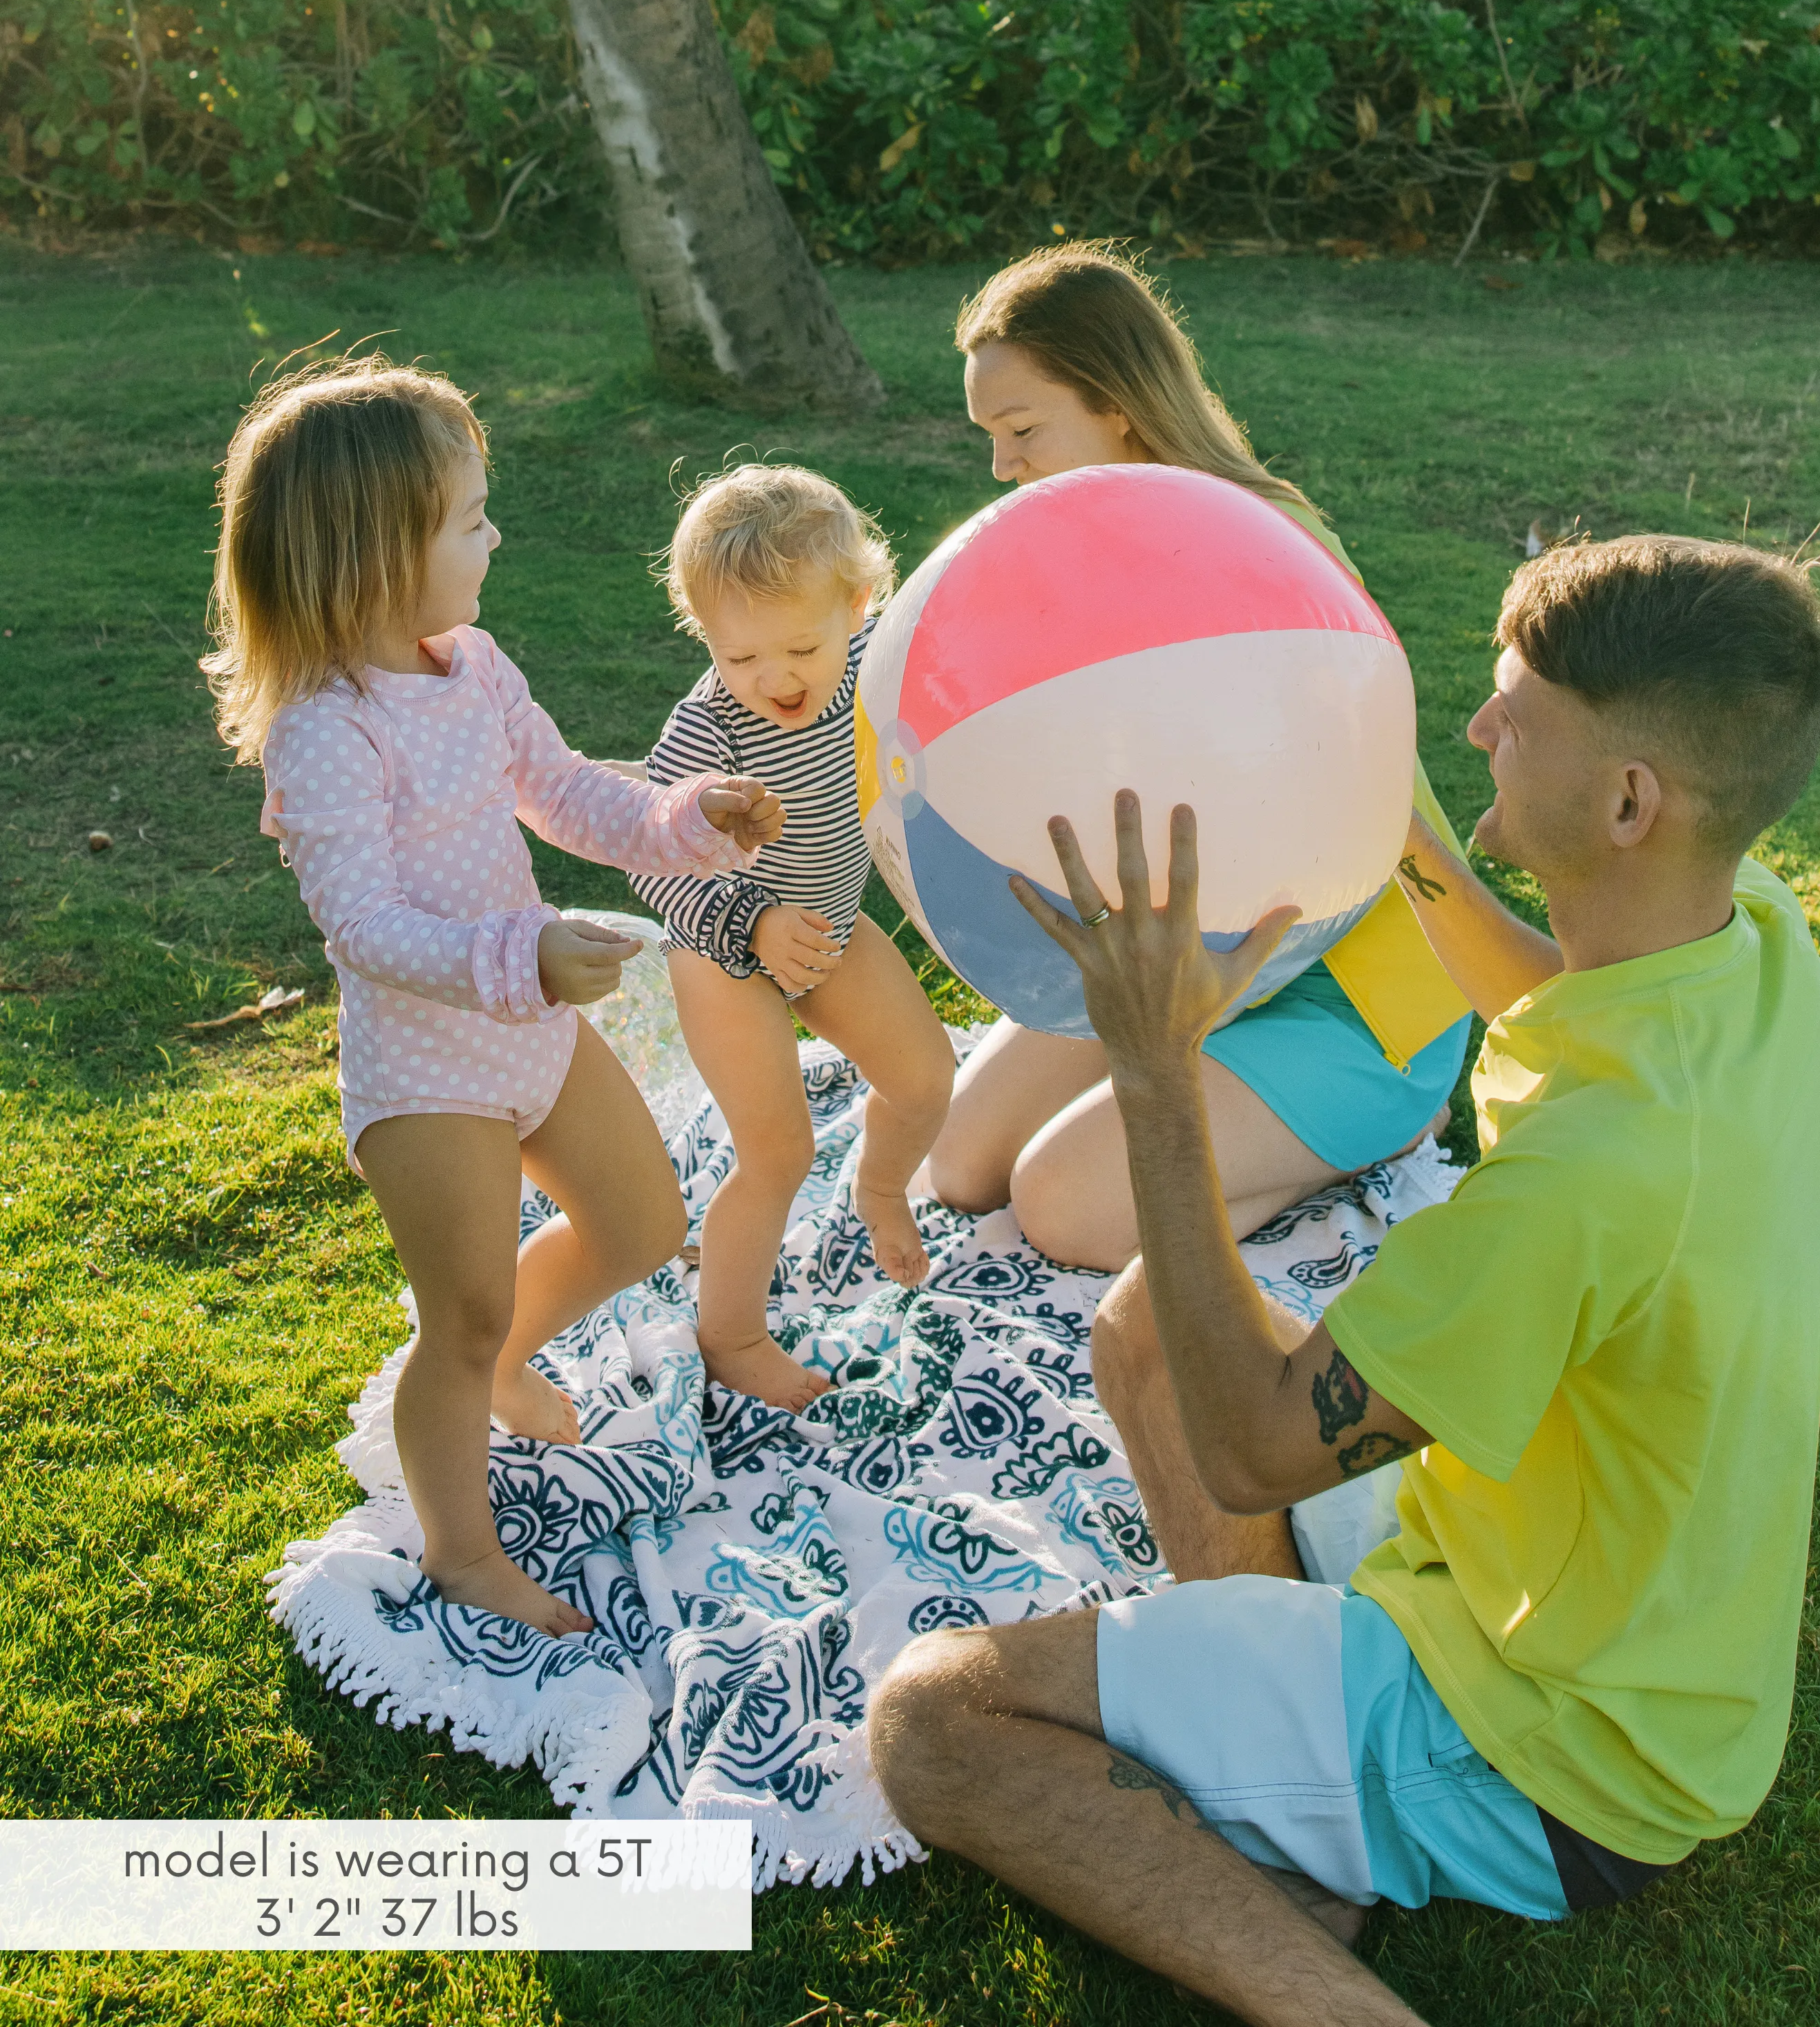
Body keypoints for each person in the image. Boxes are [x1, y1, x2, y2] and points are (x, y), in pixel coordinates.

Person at [869, 535, 1820, 2026]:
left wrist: (1152, 1070)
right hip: (1608, 1621)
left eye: (1513, 713)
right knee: (1143, 1321)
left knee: (934, 1718)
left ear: (1628, 800)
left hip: (1549, 1746)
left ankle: (1340, 1995)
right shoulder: (1751, 946)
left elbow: (1253, 1443)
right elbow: (1552, 993)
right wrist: (1414, 851)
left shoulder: (1595, 1176)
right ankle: (1302, 1808)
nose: (1474, 732)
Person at [203, 357, 780, 1636]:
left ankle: (512, 1359)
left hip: (534, 1030)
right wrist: (519, 959)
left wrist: (688, 822)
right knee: (458, 1320)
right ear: (374, 550)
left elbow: (565, 789)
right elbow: (362, 928)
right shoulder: (327, 730)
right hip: (429, 1070)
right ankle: (463, 1546)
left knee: (639, 1227)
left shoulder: (469, 663)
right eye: (470, 517)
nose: (494, 535)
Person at [925, 242, 1475, 1272]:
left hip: (1346, 985)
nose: (1000, 466)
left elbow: (1345, 814)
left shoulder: (1266, 540)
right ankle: (1212, 1093)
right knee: (958, 1164)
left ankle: (1395, 1121)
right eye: (988, 436)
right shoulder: (1076, 556)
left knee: (1060, 1206)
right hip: (1179, 956)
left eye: (1021, 429)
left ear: (1118, 404)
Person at [614, 465, 956, 1412]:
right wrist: (752, 925)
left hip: (831, 929)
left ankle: (881, 1188)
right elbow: (649, 861)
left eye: (801, 646)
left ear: (859, 605)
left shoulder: (878, 664)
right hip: (726, 952)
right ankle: (729, 1334)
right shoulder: (709, 730)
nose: (774, 679)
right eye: (739, 657)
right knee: (777, 1155)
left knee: (926, 1079)